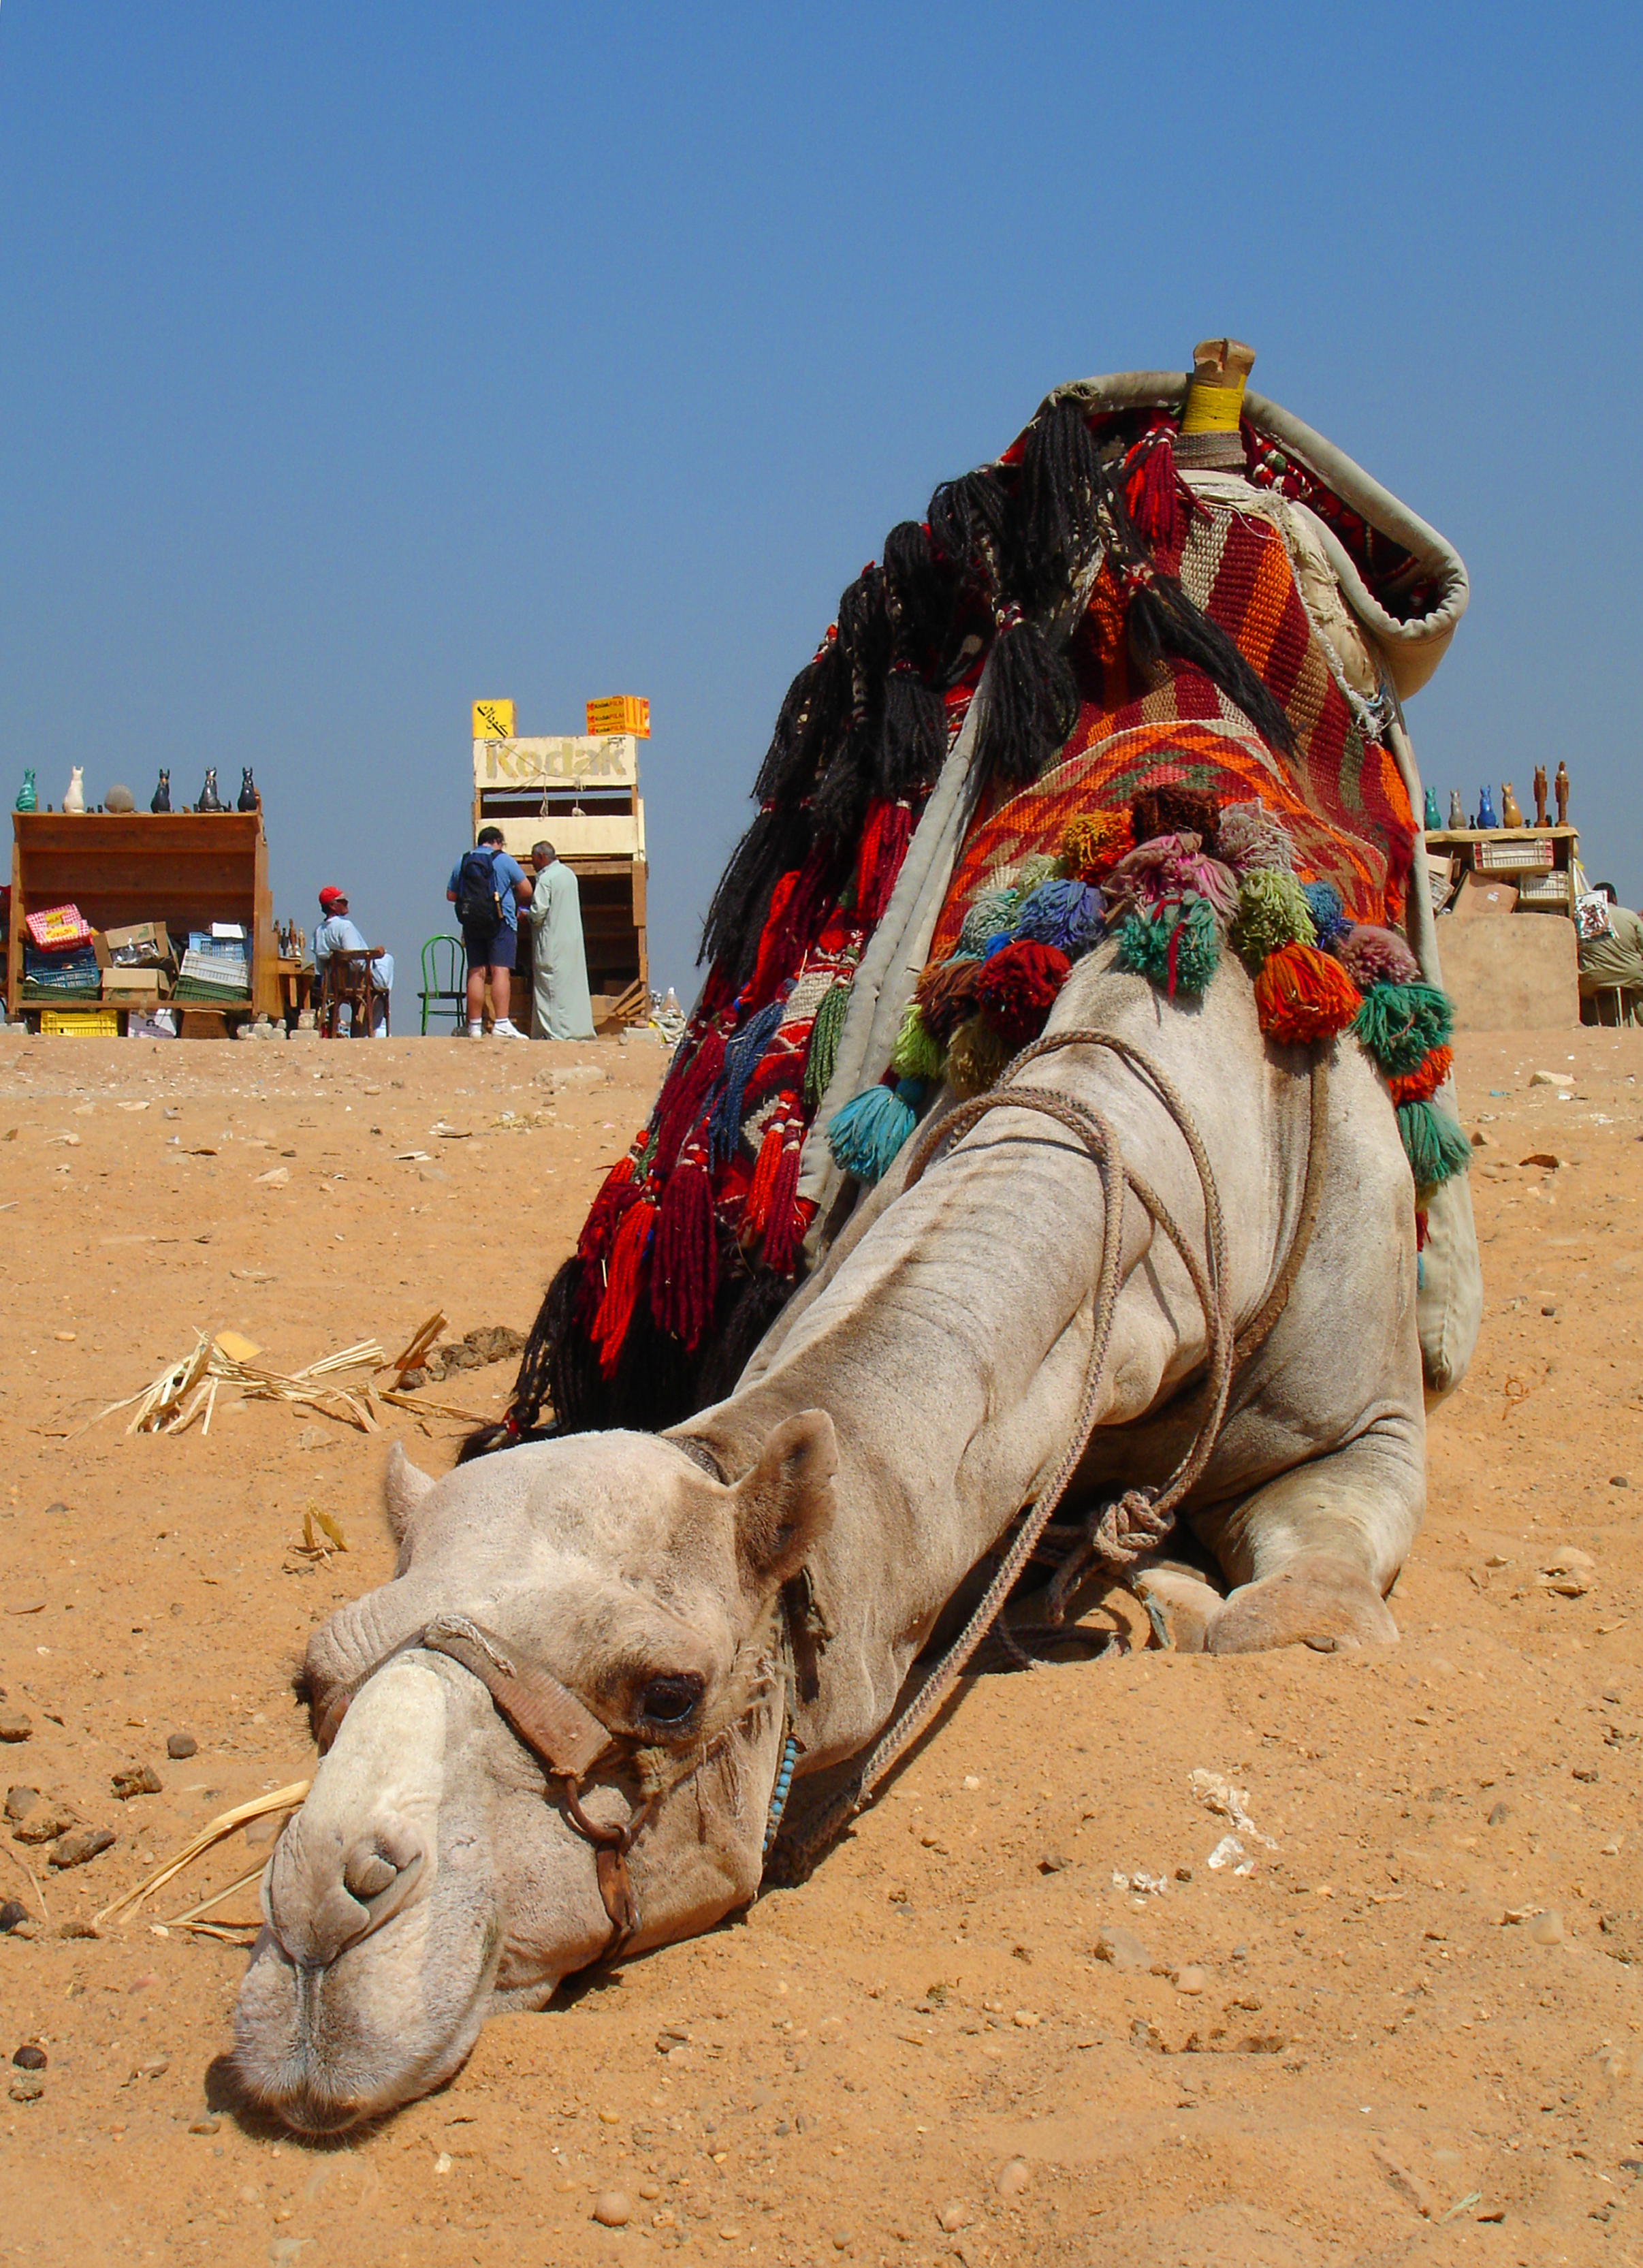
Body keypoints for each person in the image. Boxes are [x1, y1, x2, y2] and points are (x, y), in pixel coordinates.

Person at [447, 826, 531, 1039]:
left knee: (476, 971)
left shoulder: (464, 860)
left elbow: (450, 894)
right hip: (501, 921)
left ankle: (474, 1026)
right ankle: (502, 1023)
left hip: (472, 922)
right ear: (497, 841)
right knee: (500, 970)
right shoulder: (503, 860)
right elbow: (527, 890)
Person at [526, 840, 596, 1040]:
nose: (532, 863)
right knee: (570, 989)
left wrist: (525, 916)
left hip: (552, 944)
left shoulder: (546, 879)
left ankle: (555, 1033)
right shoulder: (568, 875)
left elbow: (538, 913)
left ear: (541, 857)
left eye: (533, 858)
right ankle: (575, 1030)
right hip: (570, 943)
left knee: (551, 991)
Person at [313, 886, 393, 1035]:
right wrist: (376, 953)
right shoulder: (345, 927)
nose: (346, 903)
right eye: (342, 901)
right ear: (332, 905)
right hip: (353, 981)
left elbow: (320, 964)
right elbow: (357, 961)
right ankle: (369, 1030)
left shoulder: (319, 931)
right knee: (387, 960)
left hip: (332, 983)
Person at [1577, 883, 1643, 1024]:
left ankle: (1591, 1024)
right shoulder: (1629, 916)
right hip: (1629, 975)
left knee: (1584, 997)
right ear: (1614, 898)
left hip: (1593, 978)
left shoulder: (1584, 921)